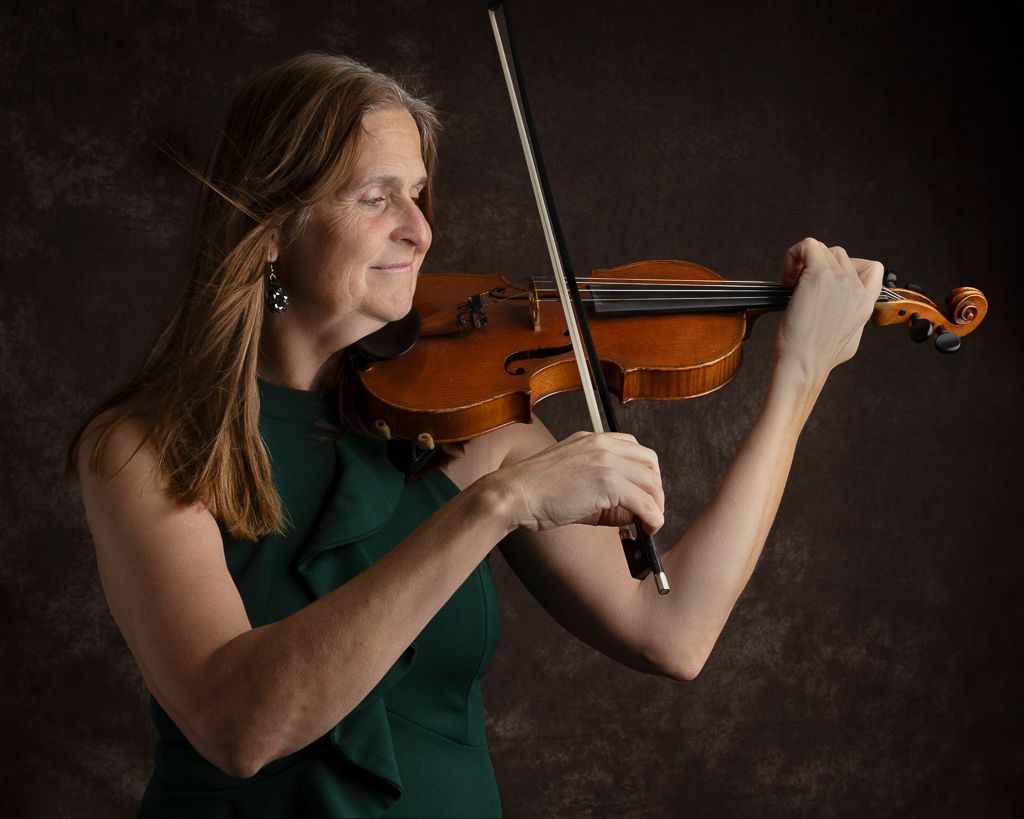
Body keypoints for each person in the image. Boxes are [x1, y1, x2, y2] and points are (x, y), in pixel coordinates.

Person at [70, 52, 883, 817]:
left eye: (419, 194)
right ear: (274, 223)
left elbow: (675, 632)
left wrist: (798, 379)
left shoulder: (470, 421)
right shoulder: (143, 448)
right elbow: (239, 726)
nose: (420, 231)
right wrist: (493, 505)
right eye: (376, 196)